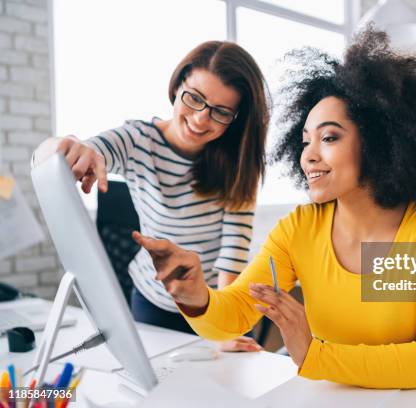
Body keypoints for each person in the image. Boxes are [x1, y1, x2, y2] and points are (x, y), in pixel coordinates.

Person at [134, 27, 416, 389]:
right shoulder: (301, 226)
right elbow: (235, 312)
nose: (308, 156)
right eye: (304, 141)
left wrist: (316, 354)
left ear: (380, 142)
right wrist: (197, 296)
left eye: (329, 137)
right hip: (333, 395)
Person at [32, 41, 268, 352]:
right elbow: (64, 154)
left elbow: (232, 253)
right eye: (194, 98)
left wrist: (222, 324)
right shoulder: (139, 140)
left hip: (208, 304)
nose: (200, 119)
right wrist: (64, 147)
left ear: (236, 118)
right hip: (151, 299)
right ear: (177, 85)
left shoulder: (239, 163)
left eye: (220, 112)